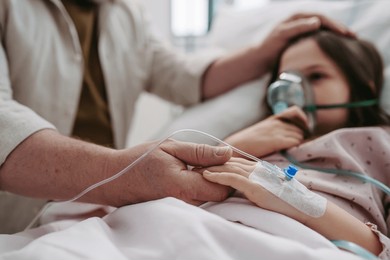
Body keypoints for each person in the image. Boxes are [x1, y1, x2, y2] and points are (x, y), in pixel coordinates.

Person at [0, 0, 353, 209]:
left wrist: (263, 52)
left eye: (316, 76)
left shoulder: (125, 13)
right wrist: (123, 174)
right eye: (285, 77)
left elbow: (186, 77)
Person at [202, 30, 390, 259]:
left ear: (362, 87)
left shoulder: (380, 141)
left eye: (316, 76)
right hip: (208, 226)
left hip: (308, 245)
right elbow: (181, 188)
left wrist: (299, 202)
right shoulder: (255, 138)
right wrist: (233, 146)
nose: (295, 92)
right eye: (285, 80)